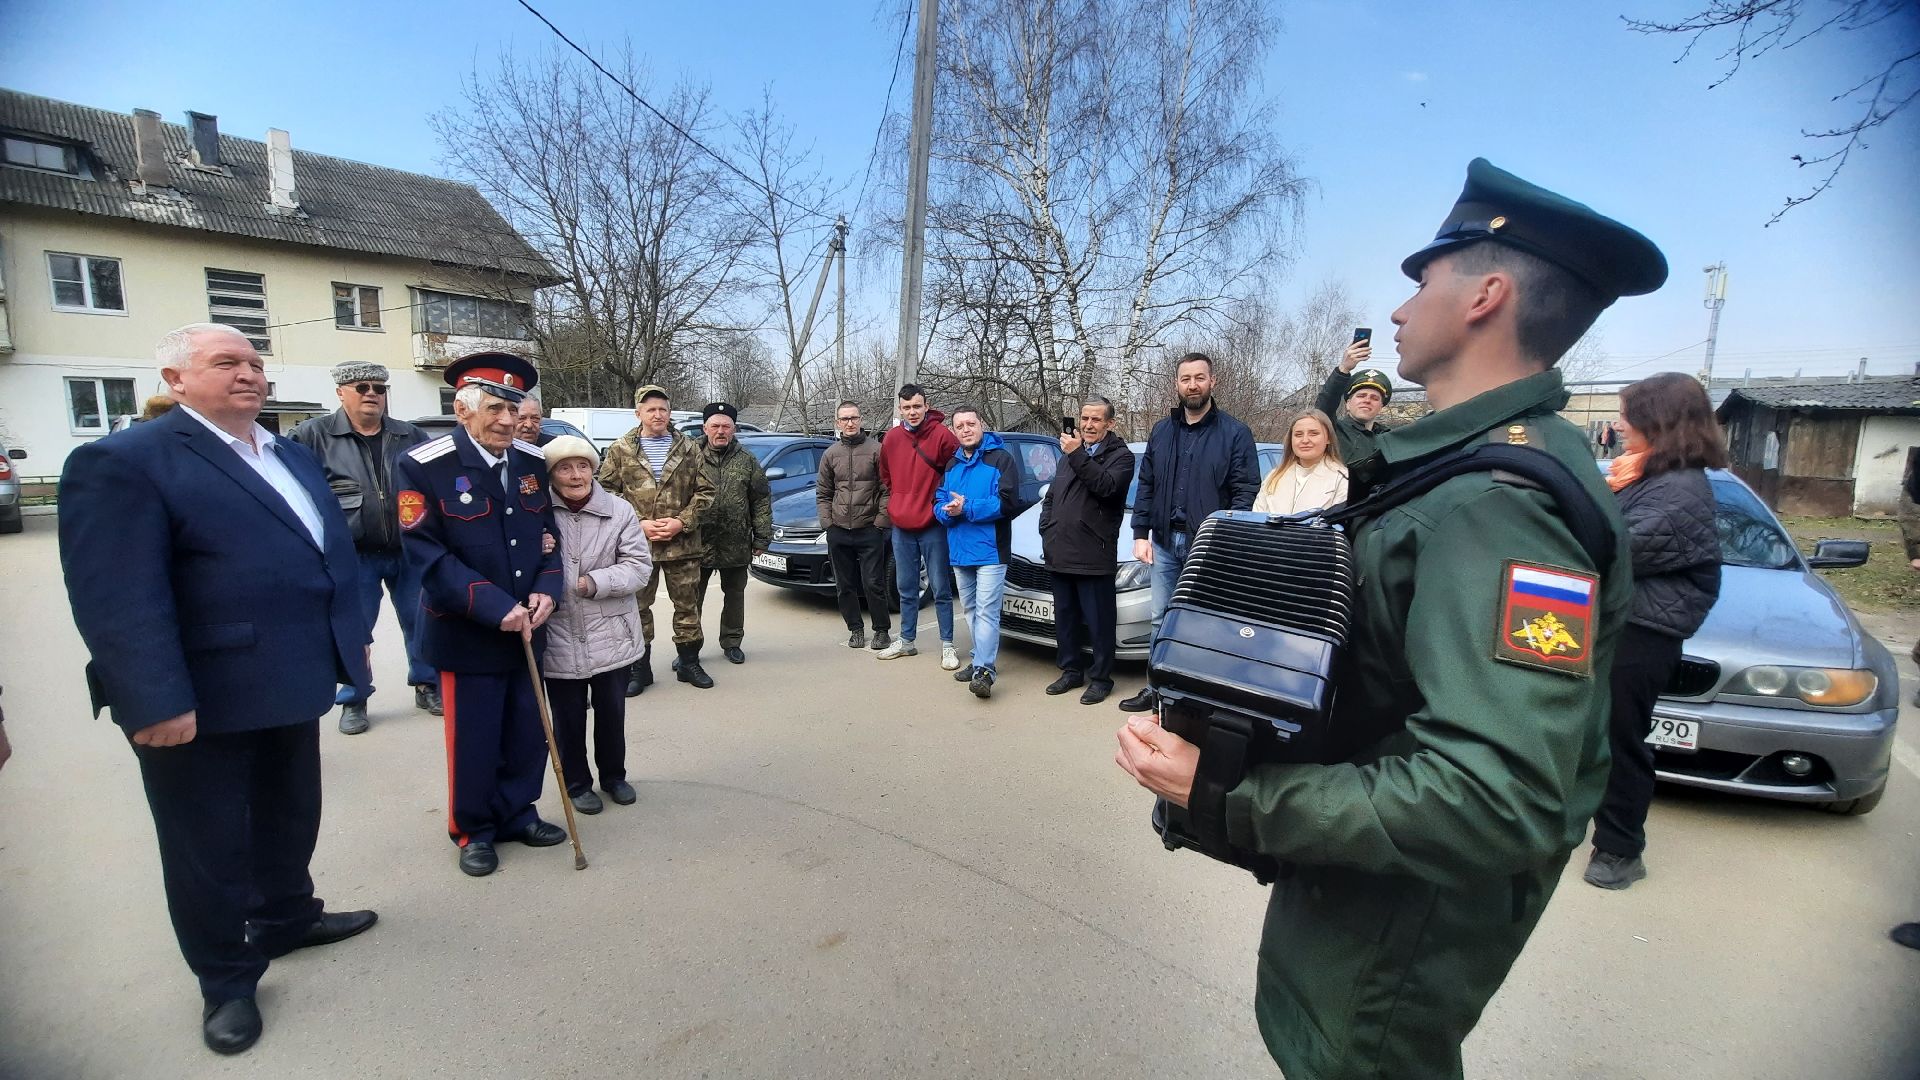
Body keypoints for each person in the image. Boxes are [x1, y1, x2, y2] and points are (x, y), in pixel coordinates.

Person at [1115, 158, 1660, 1078]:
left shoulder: (1502, 506)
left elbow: (1494, 795)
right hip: (1361, 891)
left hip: (1394, 933)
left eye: (1425, 280)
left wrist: (1231, 794)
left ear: (1486, 293)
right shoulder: (1462, 468)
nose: (1402, 310)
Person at [59, 323, 378, 1055]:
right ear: (174, 380)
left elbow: (328, 556)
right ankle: (227, 979)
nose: (249, 375)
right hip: (197, 696)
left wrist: (349, 639)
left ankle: (287, 918)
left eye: (256, 364)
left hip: (291, 678)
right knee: (206, 845)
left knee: (288, 815)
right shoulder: (124, 462)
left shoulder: (287, 453)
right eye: (226, 362)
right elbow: (116, 597)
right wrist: (153, 698)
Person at [395, 351, 569, 878]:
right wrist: (497, 607)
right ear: (463, 409)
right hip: (468, 630)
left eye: (515, 412)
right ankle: (474, 828)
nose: (507, 421)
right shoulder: (425, 465)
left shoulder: (532, 463)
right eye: (495, 409)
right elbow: (426, 554)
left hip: (529, 627)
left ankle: (517, 811)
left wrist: (547, 589)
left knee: (526, 730)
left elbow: (547, 540)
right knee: (473, 738)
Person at [1584, 373, 1725, 891]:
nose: (1617, 426)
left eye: (1627, 415)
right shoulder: (1641, 475)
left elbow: (1613, 551)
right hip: (1619, 623)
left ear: (1657, 421)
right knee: (1595, 732)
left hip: (1642, 631)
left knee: (1622, 737)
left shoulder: (1679, 487)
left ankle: (1621, 849)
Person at [288, 361, 435, 733]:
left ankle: (426, 683)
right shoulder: (311, 435)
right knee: (354, 627)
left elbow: (435, 484)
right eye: (362, 387)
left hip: (408, 548)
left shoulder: (410, 434)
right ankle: (354, 698)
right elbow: (292, 494)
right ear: (341, 392)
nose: (372, 394)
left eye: (379, 388)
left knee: (421, 621)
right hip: (352, 553)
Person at [1116, 353, 1260, 712]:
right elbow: (1146, 483)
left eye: (1199, 378)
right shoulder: (1162, 431)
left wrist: (1224, 536)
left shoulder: (1235, 433)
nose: (1192, 385)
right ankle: (1157, 690)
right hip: (1164, 542)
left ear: (1213, 382)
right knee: (1160, 619)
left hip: (1208, 546)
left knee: (1207, 622)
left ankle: (1201, 696)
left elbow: (1245, 490)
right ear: (1176, 384)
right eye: (1185, 379)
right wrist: (1139, 532)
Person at [540, 435, 650, 815]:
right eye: (565, 468)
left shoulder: (619, 511)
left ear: (593, 469)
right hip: (558, 632)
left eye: (583, 466)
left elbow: (640, 567)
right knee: (567, 717)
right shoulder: (536, 512)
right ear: (551, 475)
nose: (575, 475)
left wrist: (596, 582)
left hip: (611, 631)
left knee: (611, 712)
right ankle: (576, 783)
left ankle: (614, 777)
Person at [598, 385, 717, 691]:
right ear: (638, 413)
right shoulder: (621, 449)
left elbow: (706, 493)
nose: (657, 414)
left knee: (688, 606)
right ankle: (640, 668)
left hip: (683, 544)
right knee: (637, 608)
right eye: (650, 409)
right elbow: (606, 492)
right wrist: (638, 525)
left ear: (670, 413)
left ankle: (689, 663)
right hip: (639, 546)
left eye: (663, 409)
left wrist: (681, 522)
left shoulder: (690, 449)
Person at [1038, 396, 1136, 704]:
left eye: (1096, 420)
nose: (1088, 425)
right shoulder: (1070, 455)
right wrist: (1047, 527)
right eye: (1085, 419)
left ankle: (1101, 678)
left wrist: (1078, 453)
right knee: (1065, 618)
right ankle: (1070, 671)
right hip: (1060, 549)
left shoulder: (1120, 456)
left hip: (1094, 553)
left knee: (1098, 621)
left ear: (1110, 424)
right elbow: (1052, 495)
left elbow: (1106, 487)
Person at [935, 406, 1029, 699]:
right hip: (960, 550)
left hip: (991, 550)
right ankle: (979, 660)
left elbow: (1008, 503)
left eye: (971, 424)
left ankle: (984, 670)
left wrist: (968, 507)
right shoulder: (951, 465)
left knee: (987, 612)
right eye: (960, 425)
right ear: (954, 431)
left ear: (982, 425)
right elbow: (938, 502)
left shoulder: (1001, 459)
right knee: (971, 610)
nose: (966, 429)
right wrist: (946, 512)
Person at [876, 383, 963, 669]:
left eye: (917, 406)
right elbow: (886, 476)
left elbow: (958, 470)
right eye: (906, 407)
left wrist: (938, 501)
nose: (912, 412)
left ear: (926, 406)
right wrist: (900, 500)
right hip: (902, 524)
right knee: (906, 586)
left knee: (940, 587)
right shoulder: (891, 438)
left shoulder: (942, 436)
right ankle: (906, 641)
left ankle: (948, 645)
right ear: (900, 409)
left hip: (932, 524)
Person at [697, 402, 772, 666]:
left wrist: (762, 537)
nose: (720, 431)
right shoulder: (689, 457)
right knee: (691, 599)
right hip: (697, 543)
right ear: (705, 428)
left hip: (736, 541)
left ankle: (731, 642)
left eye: (725, 426)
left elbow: (760, 499)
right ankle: (689, 648)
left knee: (735, 596)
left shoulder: (747, 460)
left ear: (734, 429)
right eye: (715, 426)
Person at [818, 399, 894, 651]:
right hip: (839, 531)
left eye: (854, 418)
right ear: (837, 423)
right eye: (845, 419)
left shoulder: (877, 450)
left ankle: (881, 631)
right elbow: (823, 493)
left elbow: (887, 489)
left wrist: (881, 523)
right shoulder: (831, 454)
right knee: (845, 585)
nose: (850, 423)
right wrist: (828, 523)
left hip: (869, 530)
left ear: (860, 420)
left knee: (873, 583)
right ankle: (856, 629)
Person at [1315, 336, 1399, 468]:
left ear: (1381, 407)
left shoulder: (1390, 438)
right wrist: (1344, 369)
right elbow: (1323, 407)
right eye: (1361, 395)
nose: (1367, 400)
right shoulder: (1334, 430)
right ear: (1348, 403)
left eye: (1374, 398)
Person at [1251, 409, 1349, 515]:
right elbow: (1257, 518)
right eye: (1298, 434)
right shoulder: (1274, 477)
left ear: (1328, 438)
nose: (1305, 440)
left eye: (1313, 433)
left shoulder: (1342, 479)